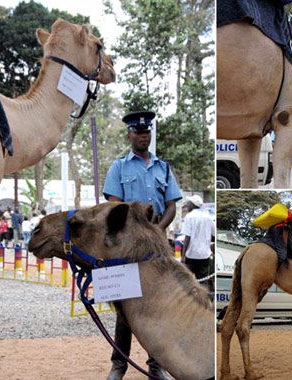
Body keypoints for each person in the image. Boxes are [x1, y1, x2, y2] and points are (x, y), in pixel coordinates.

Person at [103, 110, 182, 380]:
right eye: (138, 132)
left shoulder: (164, 167)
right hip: (128, 242)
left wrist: (158, 231)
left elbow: (171, 205)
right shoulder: (119, 167)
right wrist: (135, 231)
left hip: (157, 243)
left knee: (158, 305)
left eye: (146, 132)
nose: (142, 136)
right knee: (125, 306)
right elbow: (113, 204)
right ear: (129, 135)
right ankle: (119, 364)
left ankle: (156, 364)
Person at [180, 195, 214, 283]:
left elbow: (187, 237)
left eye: (188, 203)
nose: (187, 205)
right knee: (203, 281)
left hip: (191, 255)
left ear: (192, 204)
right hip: (204, 255)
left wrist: (183, 255)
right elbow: (214, 234)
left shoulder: (189, 217)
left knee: (188, 281)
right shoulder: (208, 217)